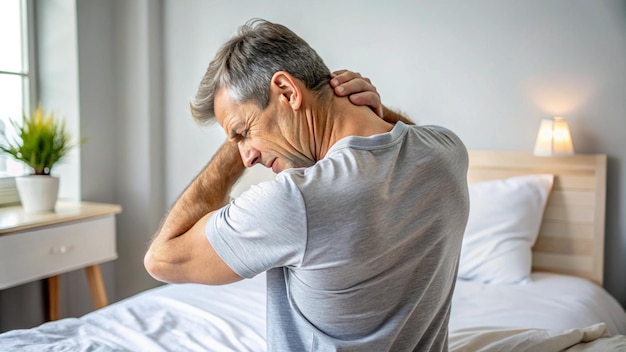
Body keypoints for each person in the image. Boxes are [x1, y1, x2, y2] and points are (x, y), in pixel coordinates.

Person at [145, 19, 469, 351]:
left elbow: (161, 258)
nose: (246, 157)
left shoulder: (295, 200)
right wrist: (376, 109)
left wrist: (229, 152)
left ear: (286, 91)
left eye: (242, 132)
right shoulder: (446, 151)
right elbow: (406, 141)